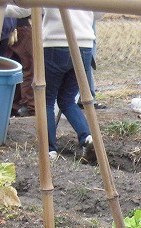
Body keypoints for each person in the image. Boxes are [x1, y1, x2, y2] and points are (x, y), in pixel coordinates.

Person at [42, 8, 103, 161]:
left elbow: (22, 9)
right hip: (84, 45)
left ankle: (50, 151)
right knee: (67, 100)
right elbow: (98, 13)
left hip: (55, 43)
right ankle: (87, 138)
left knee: (46, 101)